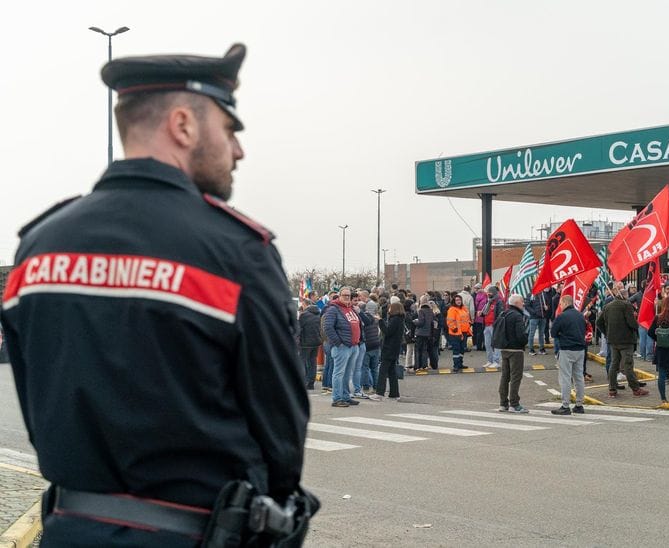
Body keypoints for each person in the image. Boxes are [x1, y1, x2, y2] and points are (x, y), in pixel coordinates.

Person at [0, 44, 317, 545]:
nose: (239, 150)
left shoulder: (37, 246)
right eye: (230, 129)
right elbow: (280, 431)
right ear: (183, 125)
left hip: (68, 529)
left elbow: (37, 405)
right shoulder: (236, 252)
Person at [597, 289, 649, 398]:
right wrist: (636, 324)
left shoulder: (608, 306)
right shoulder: (626, 306)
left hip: (613, 340)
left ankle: (612, 389)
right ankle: (635, 389)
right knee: (628, 365)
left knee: (614, 364)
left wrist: (606, 333)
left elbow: (598, 322)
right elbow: (632, 323)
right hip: (626, 340)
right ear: (624, 296)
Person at [549, 295, 587, 415]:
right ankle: (579, 404)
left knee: (565, 378)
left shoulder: (562, 317)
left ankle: (565, 405)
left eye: (560, 304)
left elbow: (553, 332)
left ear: (565, 303)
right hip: (580, 349)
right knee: (579, 377)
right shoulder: (580, 315)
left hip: (566, 349)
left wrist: (561, 334)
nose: (560, 306)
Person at [493, 294, 529, 413]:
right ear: (517, 303)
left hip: (504, 349)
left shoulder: (504, 313)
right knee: (516, 377)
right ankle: (514, 404)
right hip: (516, 350)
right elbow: (520, 334)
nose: (523, 303)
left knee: (505, 376)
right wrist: (525, 340)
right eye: (522, 301)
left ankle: (503, 403)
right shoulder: (517, 316)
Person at [377, 302, 405, 400]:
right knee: (392, 371)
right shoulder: (400, 319)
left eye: (390, 308)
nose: (388, 310)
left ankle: (380, 392)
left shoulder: (395, 319)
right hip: (395, 348)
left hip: (389, 348)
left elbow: (388, 331)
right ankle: (394, 393)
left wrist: (380, 321)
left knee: (383, 371)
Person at [298, 299, 322, 389]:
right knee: (313, 362)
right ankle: (311, 383)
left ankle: (303, 382)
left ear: (305, 304)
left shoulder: (304, 315)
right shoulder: (318, 314)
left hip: (305, 342)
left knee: (302, 362)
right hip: (316, 341)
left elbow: (299, 328)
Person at [446, 294, 472, 371]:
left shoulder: (463, 309)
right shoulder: (452, 309)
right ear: (454, 301)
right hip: (455, 333)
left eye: (459, 300)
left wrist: (469, 323)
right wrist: (454, 328)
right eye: (457, 300)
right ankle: (456, 365)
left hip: (464, 332)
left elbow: (466, 319)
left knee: (462, 349)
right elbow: (450, 320)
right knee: (456, 350)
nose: (458, 301)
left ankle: (460, 364)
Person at [481, 285, 505, 367]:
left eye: (490, 292)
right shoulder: (488, 301)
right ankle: (489, 360)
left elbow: (500, 314)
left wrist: (496, 324)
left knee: (496, 344)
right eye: (488, 292)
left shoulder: (499, 301)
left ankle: (496, 361)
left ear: (494, 292)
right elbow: (485, 312)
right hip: (487, 325)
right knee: (487, 344)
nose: (488, 294)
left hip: (494, 326)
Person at [414, 295, 434, 371]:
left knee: (418, 350)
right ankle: (424, 365)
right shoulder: (430, 310)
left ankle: (417, 366)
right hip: (427, 333)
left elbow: (421, 322)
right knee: (424, 349)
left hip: (420, 333)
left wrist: (415, 322)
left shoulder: (421, 310)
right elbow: (432, 322)